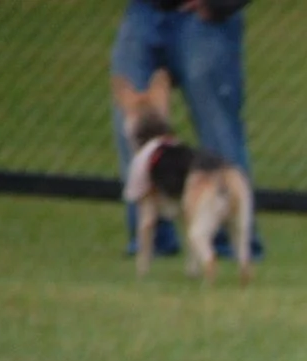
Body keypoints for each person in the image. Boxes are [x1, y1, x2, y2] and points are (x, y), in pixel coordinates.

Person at [110, 1, 260, 259]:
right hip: (143, 12)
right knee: (132, 128)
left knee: (218, 131)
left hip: (206, 21)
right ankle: (151, 237)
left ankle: (227, 239)